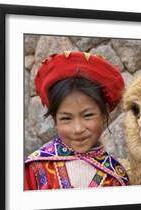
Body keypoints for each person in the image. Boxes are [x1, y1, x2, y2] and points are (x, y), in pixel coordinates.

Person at [25, 51, 129, 190]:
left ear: (104, 113)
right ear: (55, 120)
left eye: (87, 116)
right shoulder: (34, 169)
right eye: (66, 118)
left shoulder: (116, 178)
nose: (78, 129)